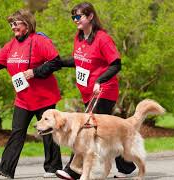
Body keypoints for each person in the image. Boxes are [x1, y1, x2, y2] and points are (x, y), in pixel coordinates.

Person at [0, 9, 63, 179]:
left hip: (44, 98)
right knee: (17, 131)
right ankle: (6, 168)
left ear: (27, 24)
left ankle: (53, 168)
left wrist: (35, 72)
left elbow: (56, 62)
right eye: (11, 24)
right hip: (23, 99)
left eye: (15, 23)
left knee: (47, 132)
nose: (12, 27)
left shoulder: (39, 41)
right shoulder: (12, 45)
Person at [55, 2, 136, 179]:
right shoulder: (79, 37)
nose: (75, 20)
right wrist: (59, 63)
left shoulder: (102, 38)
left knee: (86, 129)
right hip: (88, 93)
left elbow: (116, 64)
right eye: (73, 17)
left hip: (103, 91)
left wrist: (100, 80)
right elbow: (80, 61)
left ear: (90, 16)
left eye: (79, 16)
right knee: (104, 132)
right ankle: (127, 165)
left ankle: (73, 170)